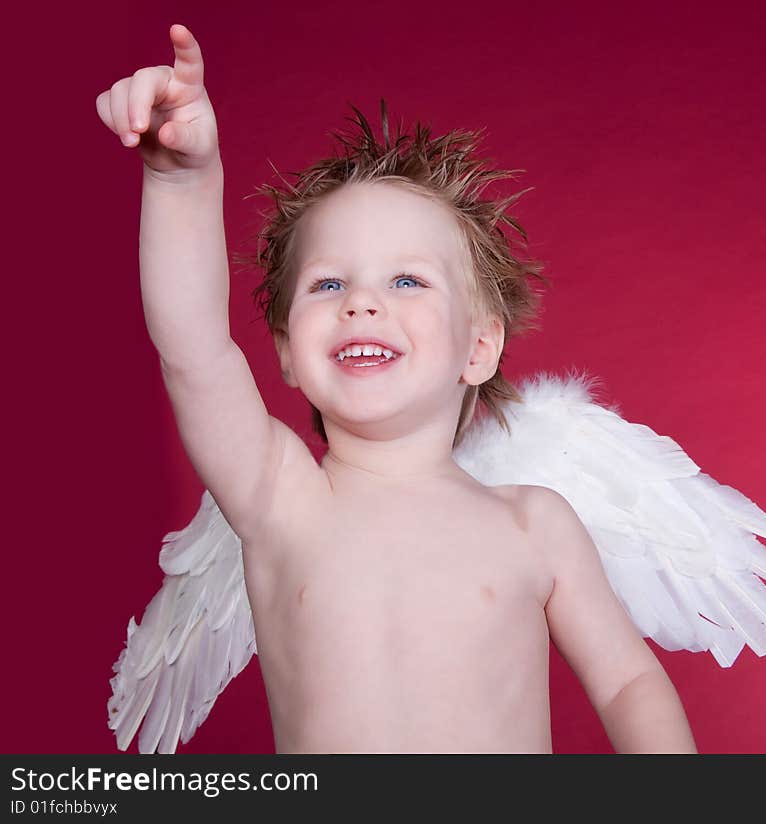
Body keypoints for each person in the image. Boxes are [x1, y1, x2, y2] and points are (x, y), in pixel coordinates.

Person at [97, 23, 698, 753]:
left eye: (407, 280)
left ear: (478, 347)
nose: (362, 302)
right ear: (287, 352)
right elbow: (192, 346)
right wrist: (181, 180)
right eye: (328, 284)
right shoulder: (280, 498)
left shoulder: (533, 525)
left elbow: (628, 683)